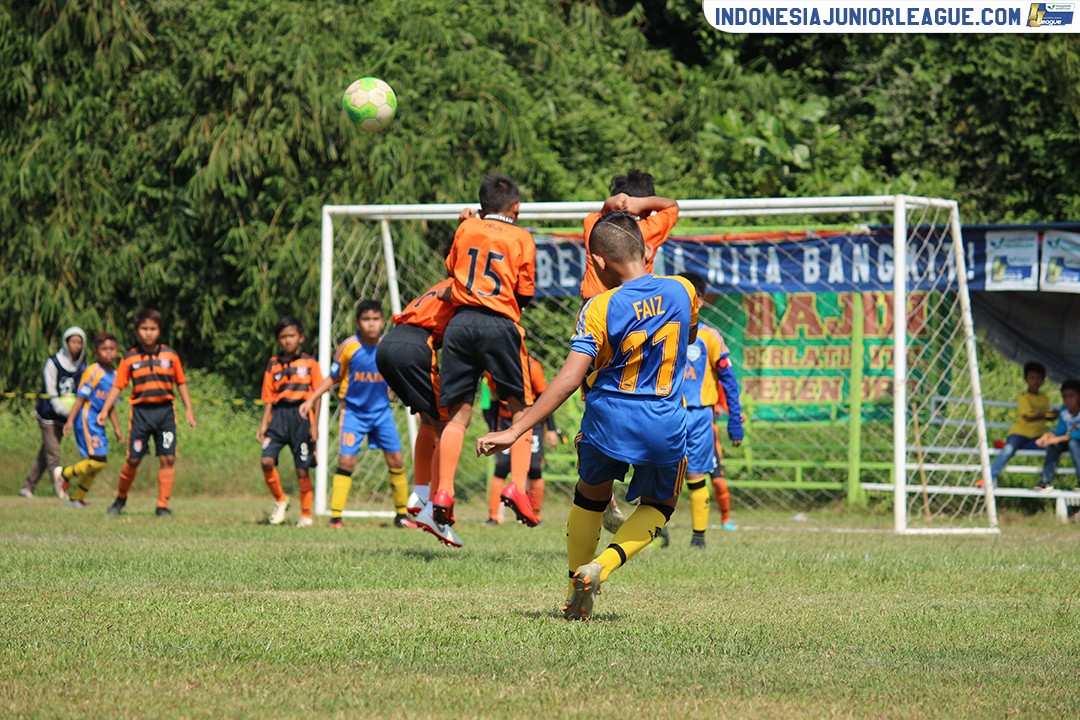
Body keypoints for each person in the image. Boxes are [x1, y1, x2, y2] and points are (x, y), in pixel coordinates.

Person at [478, 212, 698, 621]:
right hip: (663, 422)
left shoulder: (598, 307)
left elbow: (566, 380)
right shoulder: (683, 291)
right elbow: (688, 338)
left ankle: (573, 591)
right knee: (660, 505)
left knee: (589, 498)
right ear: (647, 249)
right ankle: (602, 567)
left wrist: (516, 429)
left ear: (597, 262)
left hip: (607, 420)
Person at [437, 173, 539, 530]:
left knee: (458, 414)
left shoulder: (467, 229)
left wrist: (466, 224)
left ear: (481, 206)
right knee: (521, 410)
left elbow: (452, 271)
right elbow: (525, 292)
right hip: (499, 324)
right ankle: (518, 486)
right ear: (516, 207)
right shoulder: (522, 237)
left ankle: (444, 492)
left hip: (460, 323)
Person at [299, 300, 409, 529]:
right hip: (353, 414)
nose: (371, 324)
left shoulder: (388, 346)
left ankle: (402, 515)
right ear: (358, 323)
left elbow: (400, 379)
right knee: (347, 461)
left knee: (396, 460)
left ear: (383, 320)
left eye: (376, 319)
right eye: (366, 319)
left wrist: (417, 406)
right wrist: (311, 398)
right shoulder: (349, 347)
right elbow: (333, 377)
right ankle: (336, 517)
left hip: (382, 413)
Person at [374, 278, 461, 547]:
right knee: (446, 426)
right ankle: (435, 506)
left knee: (430, 422)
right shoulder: (466, 286)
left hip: (389, 344)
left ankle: (420, 494)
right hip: (416, 346)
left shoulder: (443, 283)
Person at [98, 309, 196, 516]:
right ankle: (120, 498)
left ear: (159, 330)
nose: (148, 333)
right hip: (141, 414)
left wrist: (189, 409)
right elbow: (118, 386)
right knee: (133, 459)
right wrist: (105, 410)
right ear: (136, 331)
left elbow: (181, 382)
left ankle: (162, 505)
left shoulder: (170, 355)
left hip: (165, 413)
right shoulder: (130, 358)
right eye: (144, 329)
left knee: (168, 458)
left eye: (153, 329)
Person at [677, 272, 743, 547]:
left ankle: (698, 537)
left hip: (701, 415)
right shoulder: (663, 332)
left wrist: (735, 420)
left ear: (700, 302)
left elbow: (728, 378)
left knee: (696, 473)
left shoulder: (709, 337)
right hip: (667, 412)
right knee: (660, 472)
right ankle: (657, 532)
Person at [257, 317, 323, 527]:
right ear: (278, 340)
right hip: (278, 417)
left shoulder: (310, 364)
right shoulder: (273, 364)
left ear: (301, 337)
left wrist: (315, 425)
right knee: (266, 460)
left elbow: (318, 395)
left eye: (292, 335)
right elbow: (268, 398)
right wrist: (263, 424)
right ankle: (281, 500)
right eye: (283, 337)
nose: (288, 340)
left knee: (302, 468)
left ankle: (306, 515)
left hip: (301, 417)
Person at [579, 169, 679, 300]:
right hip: (636, 303)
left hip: (593, 303)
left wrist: (608, 204)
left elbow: (597, 216)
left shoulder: (593, 225)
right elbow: (672, 207)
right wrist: (643, 203)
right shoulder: (649, 229)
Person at [484, 357, 560, 527]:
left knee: (534, 468)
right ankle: (493, 516)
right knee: (502, 466)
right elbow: (494, 400)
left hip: (532, 422)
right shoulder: (492, 368)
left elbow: (545, 399)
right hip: (505, 423)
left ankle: (534, 514)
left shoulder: (533, 367)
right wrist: (492, 428)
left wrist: (552, 429)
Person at [56, 333, 124, 507]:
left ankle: (76, 498)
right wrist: (70, 420)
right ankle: (64, 474)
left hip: (99, 422)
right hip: (87, 418)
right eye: (104, 349)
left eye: (112, 349)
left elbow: (110, 406)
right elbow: (80, 398)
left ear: (117, 351)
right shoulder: (93, 371)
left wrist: (117, 428)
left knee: (97, 463)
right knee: (97, 460)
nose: (108, 353)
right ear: (96, 352)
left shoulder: (115, 375)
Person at [21, 326, 86, 499]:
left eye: (79, 342)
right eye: (73, 341)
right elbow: (50, 392)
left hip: (66, 417)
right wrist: (65, 411)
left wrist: (73, 414)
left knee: (46, 453)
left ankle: (28, 486)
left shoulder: (82, 367)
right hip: (48, 414)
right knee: (54, 453)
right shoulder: (53, 363)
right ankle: (60, 490)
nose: (76, 345)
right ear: (66, 343)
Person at [983, 362, 1051, 487]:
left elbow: (1044, 416)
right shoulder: (1023, 397)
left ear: (1043, 380)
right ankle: (989, 478)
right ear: (1026, 380)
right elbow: (1029, 416)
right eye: (1032, 378)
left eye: (1039, 378)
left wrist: (1049, 416)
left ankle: (1045, 481)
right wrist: (1049, 416)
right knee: (1009, 449)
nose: (1036, 381)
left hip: (1035, 436)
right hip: (1019, 433)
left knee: (1051, 447)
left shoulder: (1044, 398)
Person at [1034, 379, 1080, 492]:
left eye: (1071, 396)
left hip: (1076, 441)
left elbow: (1076, 434)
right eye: (1065, 397)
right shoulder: (1064, 411)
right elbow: (1061, 430)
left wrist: (1056, 438)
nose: (1068, 400)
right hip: (1070, 440)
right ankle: (1045, 481)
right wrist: (1047, 436)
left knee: (1074, 444)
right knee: (1054, 446)